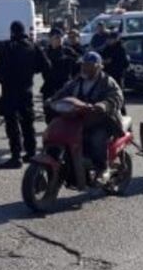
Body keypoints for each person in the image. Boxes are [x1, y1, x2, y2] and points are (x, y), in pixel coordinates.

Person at [48, 51, 125, 184]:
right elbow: (64, 91)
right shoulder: (78, 80)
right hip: (78, 118)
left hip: (102, 120)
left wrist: (104, 105)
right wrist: (52, 100)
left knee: (96, 138)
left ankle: (102, 168)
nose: (85, 68)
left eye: (89, 65)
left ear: (98, 67)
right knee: (59, 132)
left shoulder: (107, 81)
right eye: (83, 65)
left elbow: (117, 97)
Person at [0, 20, 50, 168]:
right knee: (27, 122)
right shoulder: (33, 46)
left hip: (10, 91)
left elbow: (0, 68)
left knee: (12, 125)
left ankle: (16, 156)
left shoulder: (7, 47)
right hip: (26, 89)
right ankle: (31, 152)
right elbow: (45, 65)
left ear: (12, 32)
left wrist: (0, 78)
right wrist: (31, 71)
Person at [40, 29, 78, 122]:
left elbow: (78, 65)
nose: (59, 39)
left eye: (60, 37)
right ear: (50, 39)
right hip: (49, 87)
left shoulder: (68, 51)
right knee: (49, 116)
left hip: (64, 87)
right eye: (56, 37)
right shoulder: (45, 52)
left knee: (65, 117)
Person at [101, 29, 130, 114]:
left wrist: (111, 61)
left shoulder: (120, 49)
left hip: (117, 75)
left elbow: (124, 63)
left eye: (112, 38)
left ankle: (122, 112)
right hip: (107, 75)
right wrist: (105, 61)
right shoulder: (107, 48)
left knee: (119, 94)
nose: (110, 40)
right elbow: (102, 59)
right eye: (109, 38)